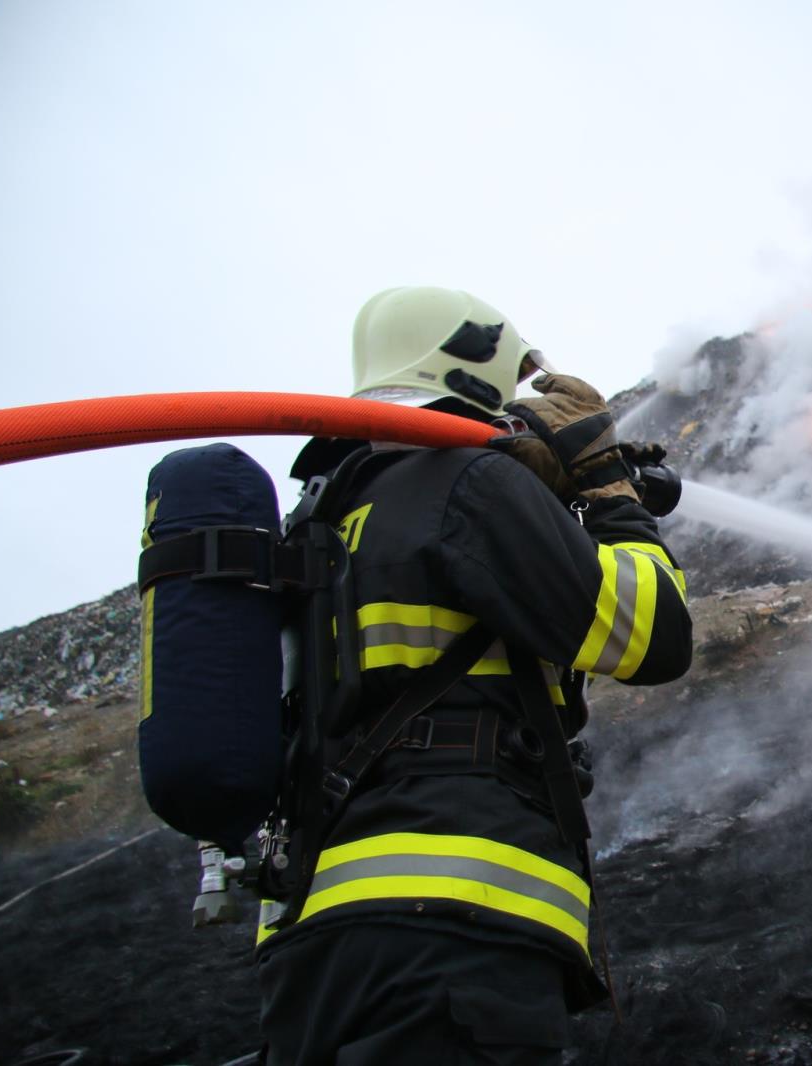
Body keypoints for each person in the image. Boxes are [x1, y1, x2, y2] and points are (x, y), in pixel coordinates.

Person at [254, 286, 693, 1064]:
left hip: (312, 940)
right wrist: (607, 489)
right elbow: (655, 637)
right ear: (476, 366)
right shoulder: (465, 480)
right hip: (455, 916)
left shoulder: (323, 514)